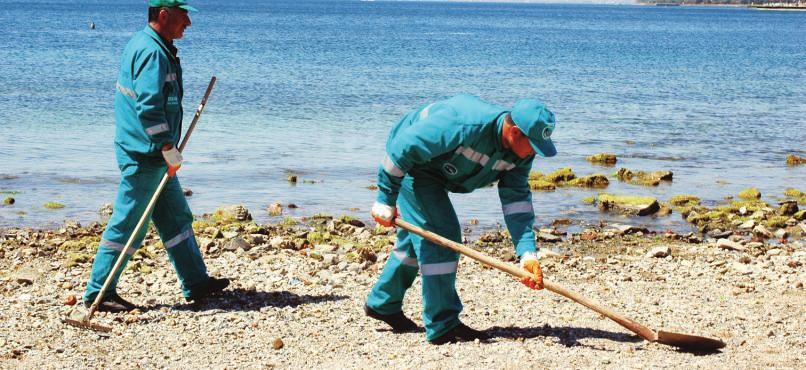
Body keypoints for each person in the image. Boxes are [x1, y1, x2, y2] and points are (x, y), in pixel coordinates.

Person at [364, 94, 555, 344]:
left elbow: (516, 200)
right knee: (442, 237)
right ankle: (443, 325)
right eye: (532, 145)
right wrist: (385, 198)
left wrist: (527, 254)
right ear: (515, 132)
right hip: (416, 166)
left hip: (441, 172)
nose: (533, 154)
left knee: (417, 239)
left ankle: (383, 303)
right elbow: (402, 150)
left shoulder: (521, 154)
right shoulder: (463, 124)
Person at [83, 0, 229, 312]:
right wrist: (166, 146)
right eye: (183, 15)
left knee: (177, 219)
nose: (188, 22)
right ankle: (100, 291)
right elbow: (148, 106)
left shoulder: (155, 46)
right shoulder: (151, 51)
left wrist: (167, 149)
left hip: (154, 153)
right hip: (145, 153)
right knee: (128, 222)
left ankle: (197, 283)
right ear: (164, 15)